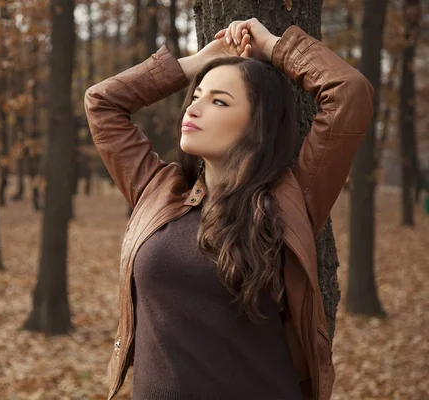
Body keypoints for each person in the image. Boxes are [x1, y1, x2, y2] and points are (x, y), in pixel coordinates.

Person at [84, 18, 373, 400]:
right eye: (197, 95)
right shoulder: (157, 191)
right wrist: (201, 60)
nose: (194, 108)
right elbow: (102, 102)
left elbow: (348, 93)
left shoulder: (289, 202)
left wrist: (273, 46)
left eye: (219, 101)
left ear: (257, 126)